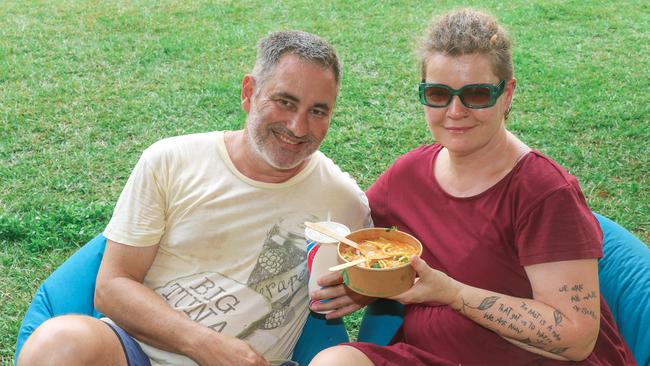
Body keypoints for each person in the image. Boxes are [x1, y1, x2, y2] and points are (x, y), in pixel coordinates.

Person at [18, 30, 372, 366]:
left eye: (318, 111)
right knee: (59, 343)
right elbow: (112, 287)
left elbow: (390, 268)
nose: (298, 127)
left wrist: (363, 292)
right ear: (249, 92)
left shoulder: (342, 200)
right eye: (284, 102)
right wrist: (204, 345)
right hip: (135, 353)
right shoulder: (170, 161)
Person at [309, 8, 635, 366]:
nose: (455, 110)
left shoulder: (543, 192)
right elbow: (365, 245)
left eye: (477, 94)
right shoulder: (408, 176)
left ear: (507, 93)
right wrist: (363, 287)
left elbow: (577, 338)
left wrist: (451, 293)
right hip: (431, 355)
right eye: (437, 93)